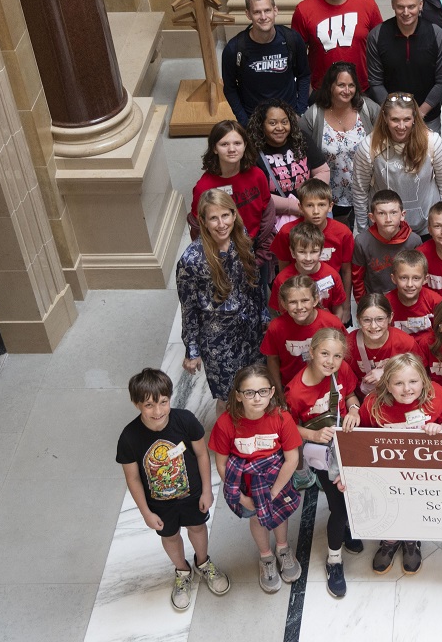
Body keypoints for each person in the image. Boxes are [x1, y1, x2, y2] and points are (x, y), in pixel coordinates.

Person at [117, 368, 230, 611]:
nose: (157, 411)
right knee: (169, 536)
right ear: (136, 404)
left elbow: (201, 454)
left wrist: (207, 491)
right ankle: (182, 570)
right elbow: (133, 478)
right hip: (159, 503)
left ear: (170, 398)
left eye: (163, 402)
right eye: (149, 405)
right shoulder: (129, 437)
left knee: (197, 527)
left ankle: (203, 562)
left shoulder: (185, 420)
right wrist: (146, 512)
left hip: (192, 494)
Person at [281, 328, 363, 598]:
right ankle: (334, 561)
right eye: (325, 354)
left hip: (348, 446)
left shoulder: (344, 371)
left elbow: (351, 395)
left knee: (352, 497)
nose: (331, 361)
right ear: (312, 352)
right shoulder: (295, 390)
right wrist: (312, 434)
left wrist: (353, 409)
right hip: (322, 455)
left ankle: (347, 529)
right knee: (338, 507)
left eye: (337, 356)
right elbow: (288, 426)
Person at [357, 353, 442, 575]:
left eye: (413, 382)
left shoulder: (437, 394)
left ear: (423, 381)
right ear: (388, 385)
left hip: (425, 470)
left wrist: (441, 429)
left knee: (415, 503)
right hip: (388, 471)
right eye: (398, 383)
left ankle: (412, 539)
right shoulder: (373, 404)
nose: (407, 389)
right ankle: (390, 540)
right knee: (390, 503)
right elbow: (360, 438)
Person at [208, 364, 303, 594]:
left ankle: (282, 548)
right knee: (258, 519)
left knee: (279, 516)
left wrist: (273, 493)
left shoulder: (281, 418)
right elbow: (221, 464)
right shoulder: (226, 423)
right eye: (249, 393)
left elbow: (291, 459)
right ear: (239, 396)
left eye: (262, 391)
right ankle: (266, 557)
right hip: (246, 487)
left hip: (276, 482)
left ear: (271, 392)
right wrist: (242, 498)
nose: (256, 398)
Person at [177, 189, 265, 405]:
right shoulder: (191, 261)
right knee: (229, 398)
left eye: (225, 215)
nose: (221, 224)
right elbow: (188, 309)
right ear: (203, 222)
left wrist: (264, 317)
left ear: (234, 215)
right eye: (213, 218)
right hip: (219, 340)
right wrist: (192, 350)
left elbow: (254, 283)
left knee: (256, 387)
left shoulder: (241, 239)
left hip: (250, 330)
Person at [352, 93, 442, 237]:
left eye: (407, 119)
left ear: (414, 118)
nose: (401, 126)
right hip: (385, 229)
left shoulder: (433, 143)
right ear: (385, 118)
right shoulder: (368, 147)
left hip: (426, 227)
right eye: (395, 119)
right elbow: (360, 191)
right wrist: (363, 231)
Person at [299, 62, 380, 227]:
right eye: (341, 85)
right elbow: (301, 150)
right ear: (330, 86)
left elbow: (386, 135)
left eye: (351, 85)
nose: (347, 90)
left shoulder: (367, 109)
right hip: (330, 197)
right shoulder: (313, 115)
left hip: (366, 192)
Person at [366, 0, 442, 132]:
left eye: (411, 6)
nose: (406, 13)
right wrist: (395, 114)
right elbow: (375, 82)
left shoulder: (437, 35)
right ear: (393, 4)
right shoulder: (377, 36)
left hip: (428, 119)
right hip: (391, 120)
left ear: (421, 5)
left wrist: (420, 113)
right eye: (400, 7)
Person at [290, 0, 383, 90]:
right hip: (323, 92)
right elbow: (298, 56)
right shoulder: (304, 10)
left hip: (363, 88)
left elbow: (381, 44)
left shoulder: (367, 3)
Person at [222, 0, 310, 124]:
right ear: (248, 14)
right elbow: (229, 88)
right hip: (255, 120)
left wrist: (299, 111)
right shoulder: (234, 49)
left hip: (288, 117)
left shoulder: (292, 39)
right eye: (257, 12)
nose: (263, 17)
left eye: (267, 10)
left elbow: (304, 75)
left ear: (275, 10)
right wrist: (244, 121)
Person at [189, 120, 274, 260]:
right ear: (214, 148)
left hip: (255, 245)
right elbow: (199, 228)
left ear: (245, 145)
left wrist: (263, 249)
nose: (232, 149)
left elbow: (268, 212)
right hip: (222, 251)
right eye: (224, 144)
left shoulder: (257, 175)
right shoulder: (203, 188)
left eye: (237, 143)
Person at [271, 179, 355, 320]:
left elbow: (347, 270)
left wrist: (346, 307)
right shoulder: (287, 232)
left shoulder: (343, 233)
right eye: (310, 205)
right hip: (298, 302)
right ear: (300, 207)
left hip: (330, 295)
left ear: (330, 206)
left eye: (321, 205)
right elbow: (283, 268)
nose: (316, 211)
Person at [247, 101, 328, 229]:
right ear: (261, 125)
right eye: (272, 123)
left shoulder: (301, 139)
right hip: (277, 220)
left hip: (312, 212)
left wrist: (311, 201)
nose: (280, 127)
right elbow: (257, 194)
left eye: (284, 122)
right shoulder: (253, 151)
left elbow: (323, 171)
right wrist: (296, 207)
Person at [261, 275, 345, 386]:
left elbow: (344, 353)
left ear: (315, 300)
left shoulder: (331, 323)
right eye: (293, 302)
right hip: (290, 387)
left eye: (305, 300)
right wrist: (278, 391)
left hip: (327, 384)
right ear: (284, 304)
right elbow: (272, 360)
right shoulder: (276, 327)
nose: (299, 307)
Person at [352, 190, 423, 299]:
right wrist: (363, 304)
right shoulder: (362, 241)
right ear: (372, 217)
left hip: (407, 300)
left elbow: (420, 276)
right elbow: (357, 279)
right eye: (381, 213)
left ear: (402, 215)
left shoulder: (414, 241)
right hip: (375, 302)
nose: (388, 219)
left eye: (393, 212)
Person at [268, 223, 346, 321]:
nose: (308, 258)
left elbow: (338, 310)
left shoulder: (332, 276)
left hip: (324, 331)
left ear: (321, 251)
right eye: (302, 252)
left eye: (313, 252)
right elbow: (279, 312)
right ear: (292, 252)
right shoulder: (282, 280)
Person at [346, 293, 417, 396]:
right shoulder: (349, 344)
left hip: (398, 398)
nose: (374, 326)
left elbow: (419, 374)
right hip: (362, 401)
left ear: (390, 317)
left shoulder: (405, 342)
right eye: (367, 320)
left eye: (380, 319)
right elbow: (344, 381)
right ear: (358, 319)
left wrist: (387, 373)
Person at [385, 249, 442, 339]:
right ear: (394, 278)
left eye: (416, 278)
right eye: (403, 278)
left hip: (428, 349)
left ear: (425, 279)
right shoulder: (385, 304)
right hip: (399, 349)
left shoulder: (435, 302)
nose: (410, 284)